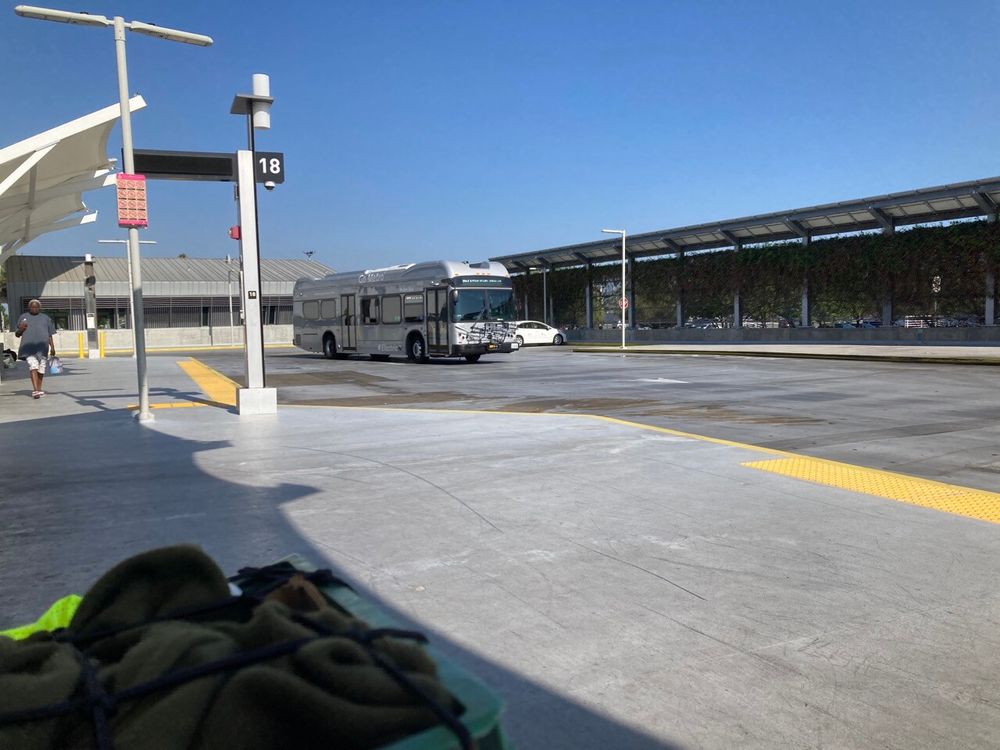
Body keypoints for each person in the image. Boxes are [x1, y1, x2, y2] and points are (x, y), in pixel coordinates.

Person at [15, 299, 56, 399]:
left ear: (39, 308)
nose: (34, 308)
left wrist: (52, 347)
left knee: (41, 369)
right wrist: (21, 329)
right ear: (29, 308)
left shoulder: (46, 318)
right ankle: (36, 390)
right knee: (33, 366)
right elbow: (17, 334)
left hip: (42, 348)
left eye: (36, 307)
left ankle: (39, 389)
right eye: (32, 307)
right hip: (28, 348)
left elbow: (50, 334)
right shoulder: (23, 317)